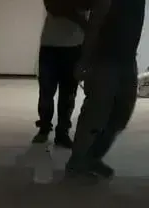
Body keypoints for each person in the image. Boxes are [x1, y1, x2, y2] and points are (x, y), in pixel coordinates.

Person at [66, 0, 146, 178]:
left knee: (121, 114)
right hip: (104, 60)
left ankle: (93, 157)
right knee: (96, 113)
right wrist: (84, 60)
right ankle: (77, 161)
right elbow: (94, 26)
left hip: (127, 61)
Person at [33, 0, 90, 148]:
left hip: (75, 46)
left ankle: (62, 132)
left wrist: (68, 8)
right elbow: (53, 7)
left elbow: (88, 5)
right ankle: (44, 128)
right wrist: (77, 16)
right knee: (46, 91)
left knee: (68, 94)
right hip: (50, 46)